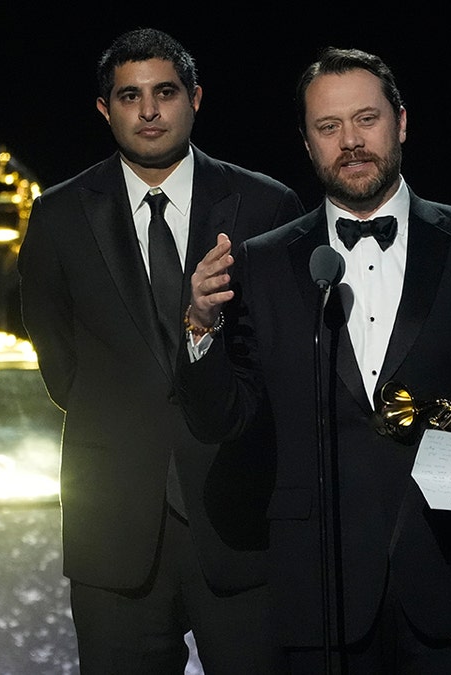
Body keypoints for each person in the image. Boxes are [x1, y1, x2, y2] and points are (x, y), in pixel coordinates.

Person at [175, 46, 451, 672]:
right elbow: (219, 419)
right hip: (319, 592)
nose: (350, 141)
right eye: (328, 127)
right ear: (306, 143)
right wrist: (200, 326)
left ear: (401, 122)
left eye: (366, 119)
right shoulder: (264, 263)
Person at [17, 27, 304, 674]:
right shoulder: (58, 216)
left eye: (165, 92)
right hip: (114, 529)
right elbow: (59, 364)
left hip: (240, 519)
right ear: (104, 108)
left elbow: (282, 361)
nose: (148, 111)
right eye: (129, 96)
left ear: (195, 98)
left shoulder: (266, 206)